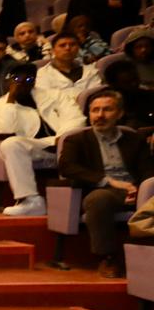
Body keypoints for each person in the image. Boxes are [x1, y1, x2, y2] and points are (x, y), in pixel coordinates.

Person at [58, 88, 154, 278]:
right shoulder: (76, 140)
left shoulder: (134, 139)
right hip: (99, 189)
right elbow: (67, 167)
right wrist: (108, 181)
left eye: (107, 109)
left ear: (120, 113)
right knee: (98, 199)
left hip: (134, 189)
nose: (100, 115)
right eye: (95, 110)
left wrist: (140, 190)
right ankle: (107, 257)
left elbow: (147, 170)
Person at [0, 59, 87, 218]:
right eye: (17, 79)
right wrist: (11, 99)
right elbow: (4, 128)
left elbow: (76, 118)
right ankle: (31, 201)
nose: (23, 83)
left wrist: (62, 139)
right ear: (8, 81)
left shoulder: (55, 95)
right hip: (36, 151)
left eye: (29, 79)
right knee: (10, 144)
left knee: (74, 134)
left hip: (65, 145)